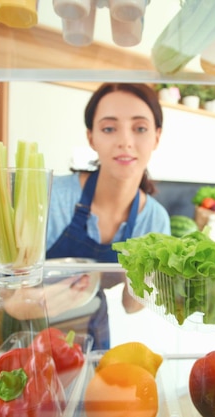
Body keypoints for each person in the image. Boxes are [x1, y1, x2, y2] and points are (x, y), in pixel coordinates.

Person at [45, 82, 171, 349]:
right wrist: (35, 302)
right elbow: (11, 290)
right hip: (32, 332)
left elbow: (132, 306)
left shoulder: (155, 220)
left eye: (140, 128)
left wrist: (140, 282)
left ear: (157, 137)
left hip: (94, 335)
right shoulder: (52, 196)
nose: (125, 141)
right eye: (109, 128)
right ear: (91, 137)